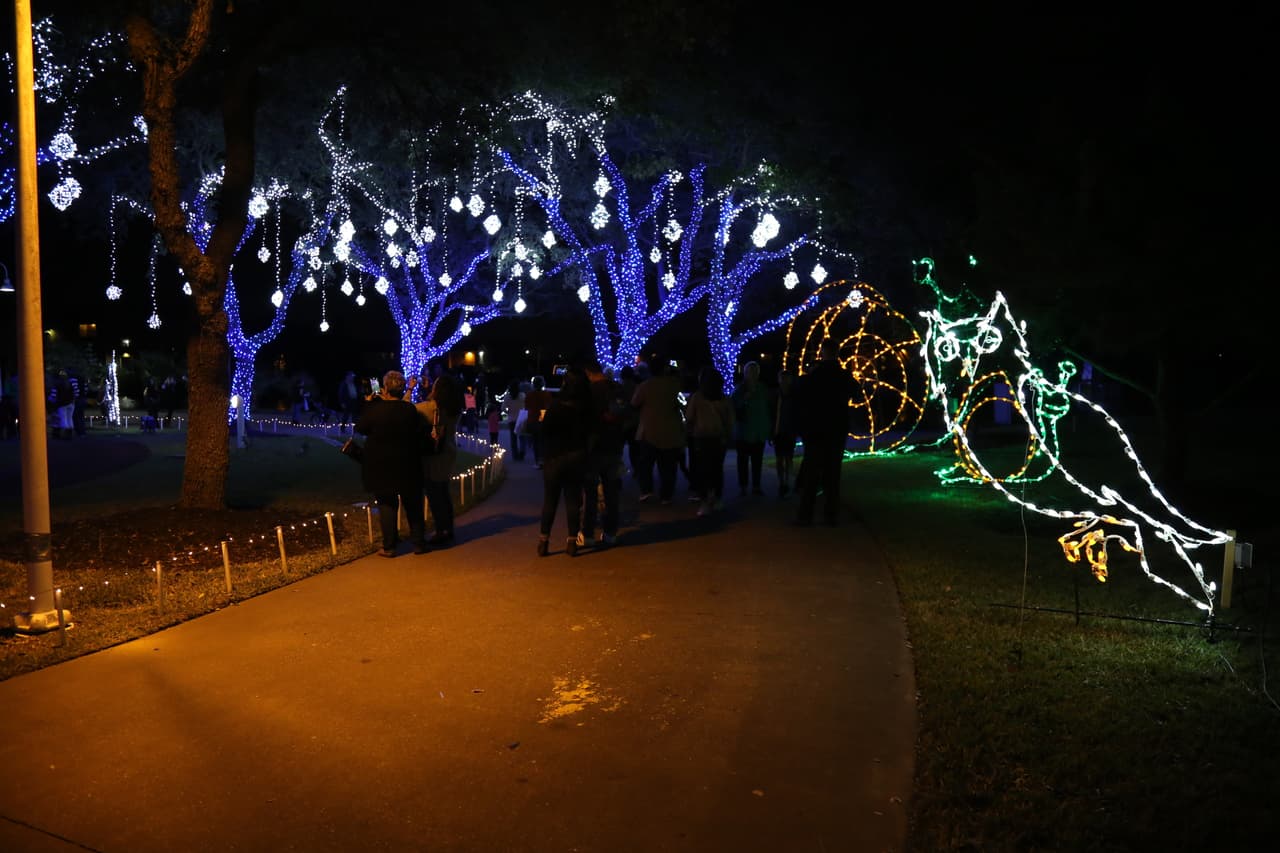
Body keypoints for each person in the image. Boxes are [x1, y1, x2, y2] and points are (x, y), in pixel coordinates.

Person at [354, 370, 430, 556]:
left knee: (387, 504)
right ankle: (419, 543)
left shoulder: (375, 409)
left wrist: (368, 404)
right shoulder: (409, 409)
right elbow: (419, 431)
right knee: (413, 503)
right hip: (407, 463)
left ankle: (389, 546)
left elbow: (361, 428)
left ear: (386, 388)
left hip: (381, 465)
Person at [792, 340, 858, 526]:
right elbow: (858, 394)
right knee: (833, 473)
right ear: (837, 353)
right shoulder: (844, 376)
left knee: (812, 473)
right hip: (837, 430)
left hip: (815, 431)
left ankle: (805, 516)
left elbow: (800, 396)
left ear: (822, 352)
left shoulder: (813, 376)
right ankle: (830, 515)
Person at [536, 367, 593, 557]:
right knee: (573, 501)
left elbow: (544, 431)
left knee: (550, 500)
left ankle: (544, 542)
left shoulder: (556, 406)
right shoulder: (586, 408)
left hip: (555, 458)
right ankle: (571, 542)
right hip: (577, 456)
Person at [580, 359, 626, 547]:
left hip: (593, 447)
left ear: (588, 373)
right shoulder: (616, 389)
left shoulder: (589, 391)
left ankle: (588, 533)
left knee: (590, 492)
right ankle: (610, 532)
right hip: (614, 445)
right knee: (611, 491)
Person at [416, 372, 464, 547]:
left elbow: (407, 408)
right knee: (443, 492)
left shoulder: (430, 408)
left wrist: (410, 389)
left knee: (434, 493)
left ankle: (440, 530)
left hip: (434, 454)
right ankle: (447, 528)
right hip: (448, 452)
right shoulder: (454, 409)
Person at [630, 358, 685, 504]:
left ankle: (647, 490)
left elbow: (634, 403)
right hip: (670, 430)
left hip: (649, 430)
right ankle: (666, 495)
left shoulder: (645, 386)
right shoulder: (674, 385)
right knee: (668, 466)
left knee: (645, 463)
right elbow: (681, 404)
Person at [684, 365, 735, 517]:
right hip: (718, 438)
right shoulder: (724, 399)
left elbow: (689, 418)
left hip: (701, 438)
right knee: (716, 469)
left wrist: (690, 431)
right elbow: (730, 420)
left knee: (703, 470)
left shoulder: (697, 397)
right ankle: (716, 498)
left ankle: (706, 500)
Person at [731, 360, 771, 497]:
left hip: (758, 432)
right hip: (743, 432)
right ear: (745, 373)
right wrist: (744, 399)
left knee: (757, 460)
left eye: (755, 371)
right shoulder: (739, 389)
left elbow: (766, 410)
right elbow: (734, 408)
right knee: (742, 460)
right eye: (750, 371)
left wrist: (768, 430)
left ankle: (756, 486)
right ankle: (743, 486)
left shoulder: (763, 389)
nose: (753, 374)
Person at [772, 368, 798, 498]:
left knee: (788, 458)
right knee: (779, 458)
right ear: (779, 380)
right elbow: (772, 414)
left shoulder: (794, 396)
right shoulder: (776, 395)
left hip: (789, 432)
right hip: (779, 432)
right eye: (782, 378)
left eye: (787, 379)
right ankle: (782, 482)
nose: (784, 381)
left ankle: (787, 481)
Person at [523, 375, 554, 468]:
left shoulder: (529, 395)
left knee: (535, 441)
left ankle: (537, 461)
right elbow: (549, 406)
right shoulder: (547, 394)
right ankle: (543, 460)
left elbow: (526, 407)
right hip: (543, 418)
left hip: (533, 419)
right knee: (543, 441)